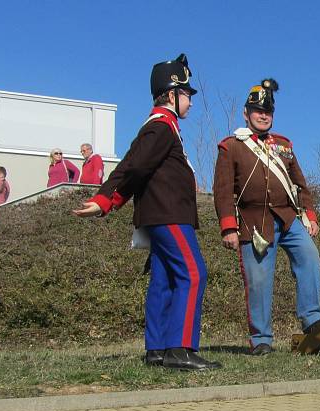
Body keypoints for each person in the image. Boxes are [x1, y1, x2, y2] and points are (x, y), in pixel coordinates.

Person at [74, 54, 220, 370]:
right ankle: (180, 348)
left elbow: (137, 168)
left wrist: (106, 201)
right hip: (169, 215)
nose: (190, 102)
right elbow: (134, 166)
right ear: (171, 95)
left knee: (165, 281)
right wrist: (105, 199)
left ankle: (157, 350)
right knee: (194, 273)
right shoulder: (162, 127)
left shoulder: (162, 127)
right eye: (187, 95)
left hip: (159, 215)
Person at [213, 79, 320, 356]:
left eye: (268, 112)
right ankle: (261, 338)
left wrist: (309, 215)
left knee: (309, 257)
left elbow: (300, 184)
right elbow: (223, 191)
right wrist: (228, 227)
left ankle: (312, 320)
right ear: (246, 113)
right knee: (259, 279)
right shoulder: (232, 147)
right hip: (254, 222)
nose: (264, 116)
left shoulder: (283, 145)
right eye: (258, 111)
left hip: (288, 218)